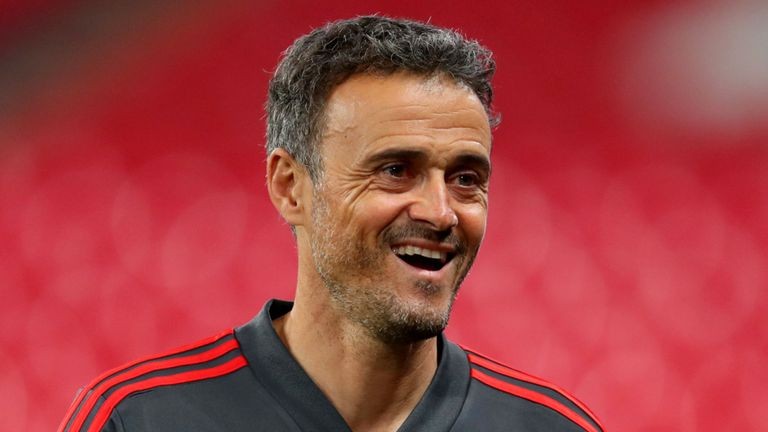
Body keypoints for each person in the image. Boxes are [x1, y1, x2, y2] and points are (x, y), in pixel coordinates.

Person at [59, 16, 604, 432]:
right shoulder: (138, 420)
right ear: (290, 187)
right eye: (395, 170)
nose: (440, 212)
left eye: (465, 179)